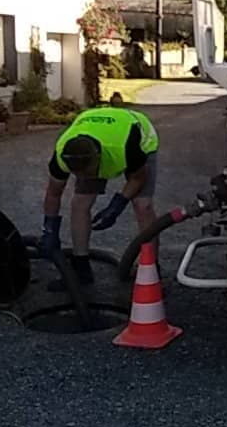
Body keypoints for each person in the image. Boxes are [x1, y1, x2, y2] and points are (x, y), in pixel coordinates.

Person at [39, 106, 159, 290]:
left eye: (88, 173)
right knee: (80, 203)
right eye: (79, 174)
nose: (86, 178)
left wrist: (117, 204)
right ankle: (81, 269)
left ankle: (152, 270)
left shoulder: (126, 147)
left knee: (143, 205)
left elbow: (138, 177)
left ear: (98, 159)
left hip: (136, 134)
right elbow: (54, 193)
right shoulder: (63, 154)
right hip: (93, 133)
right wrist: (49, 230)